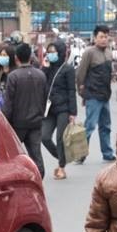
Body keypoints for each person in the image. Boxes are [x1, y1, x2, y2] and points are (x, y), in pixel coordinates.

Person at [1, 43, 50, 177]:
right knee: (36, 154)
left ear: (16, 58)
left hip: (18, 123)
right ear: (31, 57)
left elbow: (9, 103)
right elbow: (44, 98)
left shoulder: (13, 76)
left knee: (13, 155)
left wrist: (4, 120)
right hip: (35, 122)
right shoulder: (41, 75)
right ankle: (39, 180)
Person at [76, 25, 116, 162]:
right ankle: (81, 154)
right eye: (101, 37)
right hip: (93, 95)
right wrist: (82, 93)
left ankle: (107, 153)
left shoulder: (109, 53)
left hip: (105, 95)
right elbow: (80, 73)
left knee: (106, 126)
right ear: (95, 38)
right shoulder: (89, 53)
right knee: (90, 126)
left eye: (106, 36)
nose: (104, 39)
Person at [41, 40, 77, 179]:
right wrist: (45, 68)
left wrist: (73, 113)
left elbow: (71, 91)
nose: (50, 55)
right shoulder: (47, 68)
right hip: (49, 109)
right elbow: (42, 83)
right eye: (48, 52)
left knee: (60, 137)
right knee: (44, 137)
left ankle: (61, 167)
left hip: (63, 108)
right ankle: (61, 156)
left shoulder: (67, 69)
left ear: (60, 52)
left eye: (53, 52)